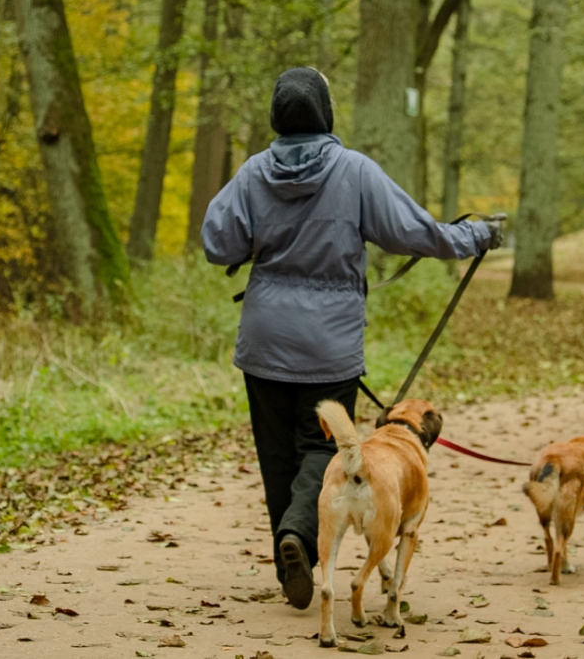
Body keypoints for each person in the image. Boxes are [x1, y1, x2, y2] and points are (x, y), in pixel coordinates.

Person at [202, 66, 503, 609]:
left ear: (276, 116)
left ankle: (290, 553)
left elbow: (217, 243)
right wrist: (477, 234)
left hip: (266, 341)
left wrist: (263, 238)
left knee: (277, 457)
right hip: (329, 344)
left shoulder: (252, 173)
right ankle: (299, 539)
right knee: (323, 447)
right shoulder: (354, 171)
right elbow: (416, 232)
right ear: (326, 112)